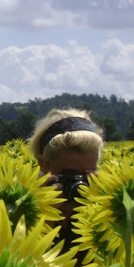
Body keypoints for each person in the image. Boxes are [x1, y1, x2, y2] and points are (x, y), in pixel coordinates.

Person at [29, 108, 104, 259]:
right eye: (69, 175)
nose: (78, 186)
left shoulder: (105, 213)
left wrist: (103, 210)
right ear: (43, 163)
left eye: (85, 176)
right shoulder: (20, 208)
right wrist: (42, 217)